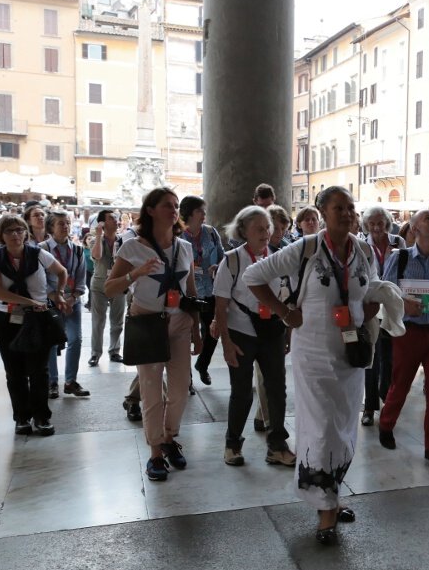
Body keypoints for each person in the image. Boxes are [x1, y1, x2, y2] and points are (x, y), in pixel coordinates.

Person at [244, 187, 395, 544]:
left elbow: (367, 290)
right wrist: (284, 313)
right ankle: (325, 509)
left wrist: (374, 309)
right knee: (322, 429)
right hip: (313, 356)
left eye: (350, 208)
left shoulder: (360, 250)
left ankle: (330, 494)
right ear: (322, 212)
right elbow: (254, 276)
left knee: (343, 428)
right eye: (338, 208)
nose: (347, 213)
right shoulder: (306, 249)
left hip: (351, 356)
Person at [105, 189, 203, 482]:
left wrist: (197, 330)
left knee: (179, 388)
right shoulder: (132, 248)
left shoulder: (184, 248)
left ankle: (170, 437)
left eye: (176, 206)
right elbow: (110, 288)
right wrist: (135, 274)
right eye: (167, 205)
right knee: (150, 391)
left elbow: (191, 292)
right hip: (147, 322)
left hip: (180, 323)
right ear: (150, 210)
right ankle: (156, 453)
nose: (174, 210)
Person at [211, 206, 296, 468]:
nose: (265, 232)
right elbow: (221, 304)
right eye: (259, 228)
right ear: (244, 231)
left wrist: (288, 333)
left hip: (271, 331)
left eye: (267, 227)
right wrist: (225, 343)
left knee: (276, 390)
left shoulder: (279, 258)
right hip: (241, 333)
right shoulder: (233, 260)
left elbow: (289, 298)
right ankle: (232, 444)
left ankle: (277, 445)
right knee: (242, 392)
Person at [378, 209, 429, 465]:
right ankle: (386, 425)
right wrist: (403, 302)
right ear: (414, 229)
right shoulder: (399, 258)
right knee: (400, 383)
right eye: (427, 218)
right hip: (408, 332)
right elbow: (386, 293)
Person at [0, 213, 70, 436]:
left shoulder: (38, 254)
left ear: (26, 233)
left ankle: (42, 417)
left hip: (37, 319)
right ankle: (22, 417)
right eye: (10, 231)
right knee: (14, 372)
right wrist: (29, 301)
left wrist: (59, 293)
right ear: (1, 235)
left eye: (20, 230)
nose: (16, 235)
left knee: (39, 371)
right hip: (6, 319)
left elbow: (62, 272)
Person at [253, 204, 297, 434]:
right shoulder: (257, 252)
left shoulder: (290, 250)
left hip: (283, 314)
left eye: (283, 228)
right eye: (276, 228)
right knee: (264, 372)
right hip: (260, 316)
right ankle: (269, 419)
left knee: (274, 370)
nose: (279, 233)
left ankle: (263, 415)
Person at [360, 204, 405, 426]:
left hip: (392, 303)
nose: (377, 227)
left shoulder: (399, 242)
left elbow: (404, 270)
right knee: (371, 357)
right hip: (371, 304)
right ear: (367, 225)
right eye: (372, 224)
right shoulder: (362, 245)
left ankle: (386, 398)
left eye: (380, 223)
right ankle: (369, 407)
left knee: (389, 357)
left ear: (387, 224)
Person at [42, 210, 90, 398]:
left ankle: (70, 381)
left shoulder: (77, 249)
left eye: (68, 223)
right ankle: (52, 381)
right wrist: (56, 297)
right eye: (60, 223)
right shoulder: (42, 249)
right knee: (52, 341)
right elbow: (40, 279)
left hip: (72, 301)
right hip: (51, 300)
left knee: (75, 339)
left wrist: (72, 298)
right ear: (51, 227)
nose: (66, 227)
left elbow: (81, 277)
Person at [179, 195, 223, 386]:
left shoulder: (211, 232)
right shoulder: (178, 235)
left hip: (210, 289)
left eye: (204, 211)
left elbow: (222, 256)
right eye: (199, 211)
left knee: (213, 331)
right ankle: (186, 377)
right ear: (189, 213)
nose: (203, 214)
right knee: (185, 335)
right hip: (186, 291)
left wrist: (218, 266)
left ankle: (202, 365)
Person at [88, 210, 125, 366]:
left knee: (117, 321)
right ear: (102, 223)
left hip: (118, 284)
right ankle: (95, 353)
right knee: (98, 321)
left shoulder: (123, 241)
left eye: (116, 218)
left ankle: (115, 351)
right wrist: (98, 235)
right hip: (99, 285)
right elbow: (97, 256)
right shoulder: (94, 241)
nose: (116, 220)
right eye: (111, 218)